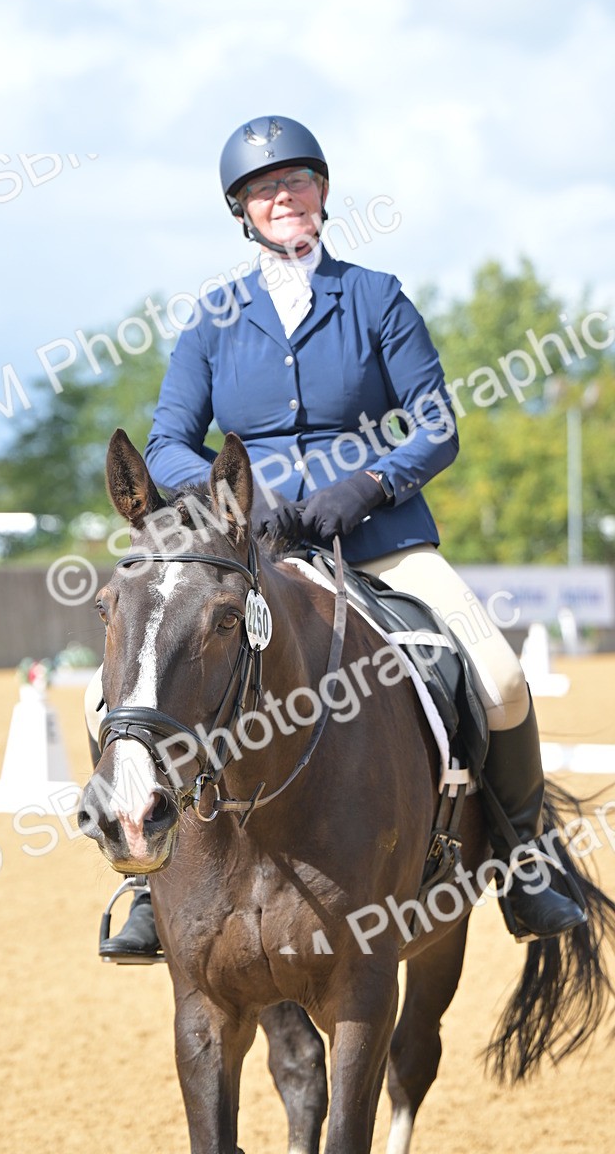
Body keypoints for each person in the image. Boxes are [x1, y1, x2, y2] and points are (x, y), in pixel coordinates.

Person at [92, 115, 585, 961]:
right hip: (254, 546)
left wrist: (362, 488)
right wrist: (238, 493)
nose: (282, 198)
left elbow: (434, 425)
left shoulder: (376, 297)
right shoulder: (214, 318)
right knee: (135, 681)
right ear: (241, 211)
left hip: (381, 540)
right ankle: (146, 877)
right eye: (263, 190)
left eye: (297, 182)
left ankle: (527, 864)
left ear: (322, 194)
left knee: (500, 679)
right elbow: (167, 436)